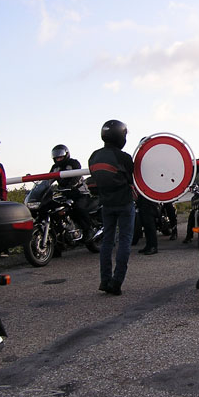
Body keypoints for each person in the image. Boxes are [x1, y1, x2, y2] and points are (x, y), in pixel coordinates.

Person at [88, 120, 136, 296]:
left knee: (107, 242)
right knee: (124, 241)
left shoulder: (94, 156)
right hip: (124, 203)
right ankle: (116, 282)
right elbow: (132, 178)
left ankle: (105, 280)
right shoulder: (124, 157)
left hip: (106, 204)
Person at [49, 144, 93, 242]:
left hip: (80, 193)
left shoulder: (73, 163)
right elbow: (48, 179)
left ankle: (88, 229)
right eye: (56, 157)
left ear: (66, 154)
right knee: (54, 209)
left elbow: (77, 175)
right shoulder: (55, 167)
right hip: (65, 194)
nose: (58, 158)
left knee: (78, 208)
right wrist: (42, 186)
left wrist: (71, 185)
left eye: (60, 156)